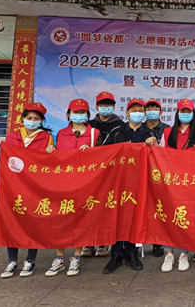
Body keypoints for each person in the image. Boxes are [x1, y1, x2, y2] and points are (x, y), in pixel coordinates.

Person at [0, 103, 54, 278]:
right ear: (23, 118)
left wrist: (51, 151)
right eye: (29, 118)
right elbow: (6, 156)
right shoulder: (12, 137)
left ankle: (30, 260)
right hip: (13, 186)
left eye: (36, 118)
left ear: (42, 120)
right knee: (12, 221)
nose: (32, 121)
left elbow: (49, 162)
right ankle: (12, 261)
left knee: (33, 222)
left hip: (35, 187)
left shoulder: (46, 137)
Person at [47, 99, 102, 277]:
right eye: (75, 112)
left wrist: (91, 152)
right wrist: (51, 150)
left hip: (85, 182)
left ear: (88, 114)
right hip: (63, 182)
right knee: (60, 219)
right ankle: (59, 257)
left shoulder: (95, 133)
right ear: (69, 114)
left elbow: (102, 157)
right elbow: (58, 157)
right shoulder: (61, 133)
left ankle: (77, 256)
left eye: (82, 112)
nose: (79, 115)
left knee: (80, 219)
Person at [159, 98, 195, 272]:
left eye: (188, 111)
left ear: (193, 113)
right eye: (182, 111)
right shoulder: (167, 132)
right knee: (169, 217)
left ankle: (184, 253)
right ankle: (168, 254)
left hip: (192, 184)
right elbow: (159, 156)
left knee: (186, 217)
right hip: (171, 183)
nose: (185, 114)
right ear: (177, 113)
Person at [103, 98, 156, 275]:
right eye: (133, 110)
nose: (137, 113)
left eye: (140, 110)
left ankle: (132, 253)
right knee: (117, 216)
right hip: (117, 181)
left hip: (139, 182)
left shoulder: (149, 133)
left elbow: (157, 157)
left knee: (134, 216)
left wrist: (153, 144)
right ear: (127, 113)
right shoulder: (117, 131)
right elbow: (103, 152)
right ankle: (116, 254)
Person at [85, 91, 126, 258]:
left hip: (110, 172)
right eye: (102, 105)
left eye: (109, 104)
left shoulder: (120, 125)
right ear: (96, 107)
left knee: (106, 205)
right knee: (89, 205)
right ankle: (88, 241)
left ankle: (103, 242)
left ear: (114, 106)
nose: (105, 107)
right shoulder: (89, 125)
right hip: (90, 172)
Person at [144, 98, 171, 258]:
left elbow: (169, 153)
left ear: (161, 112)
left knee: (159, 206)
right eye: (149, 108)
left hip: (160, 174)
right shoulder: (139, 128)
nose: (152, 111)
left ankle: (157, 242)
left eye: (155, 108)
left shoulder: (167, 130)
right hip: (141, 172)